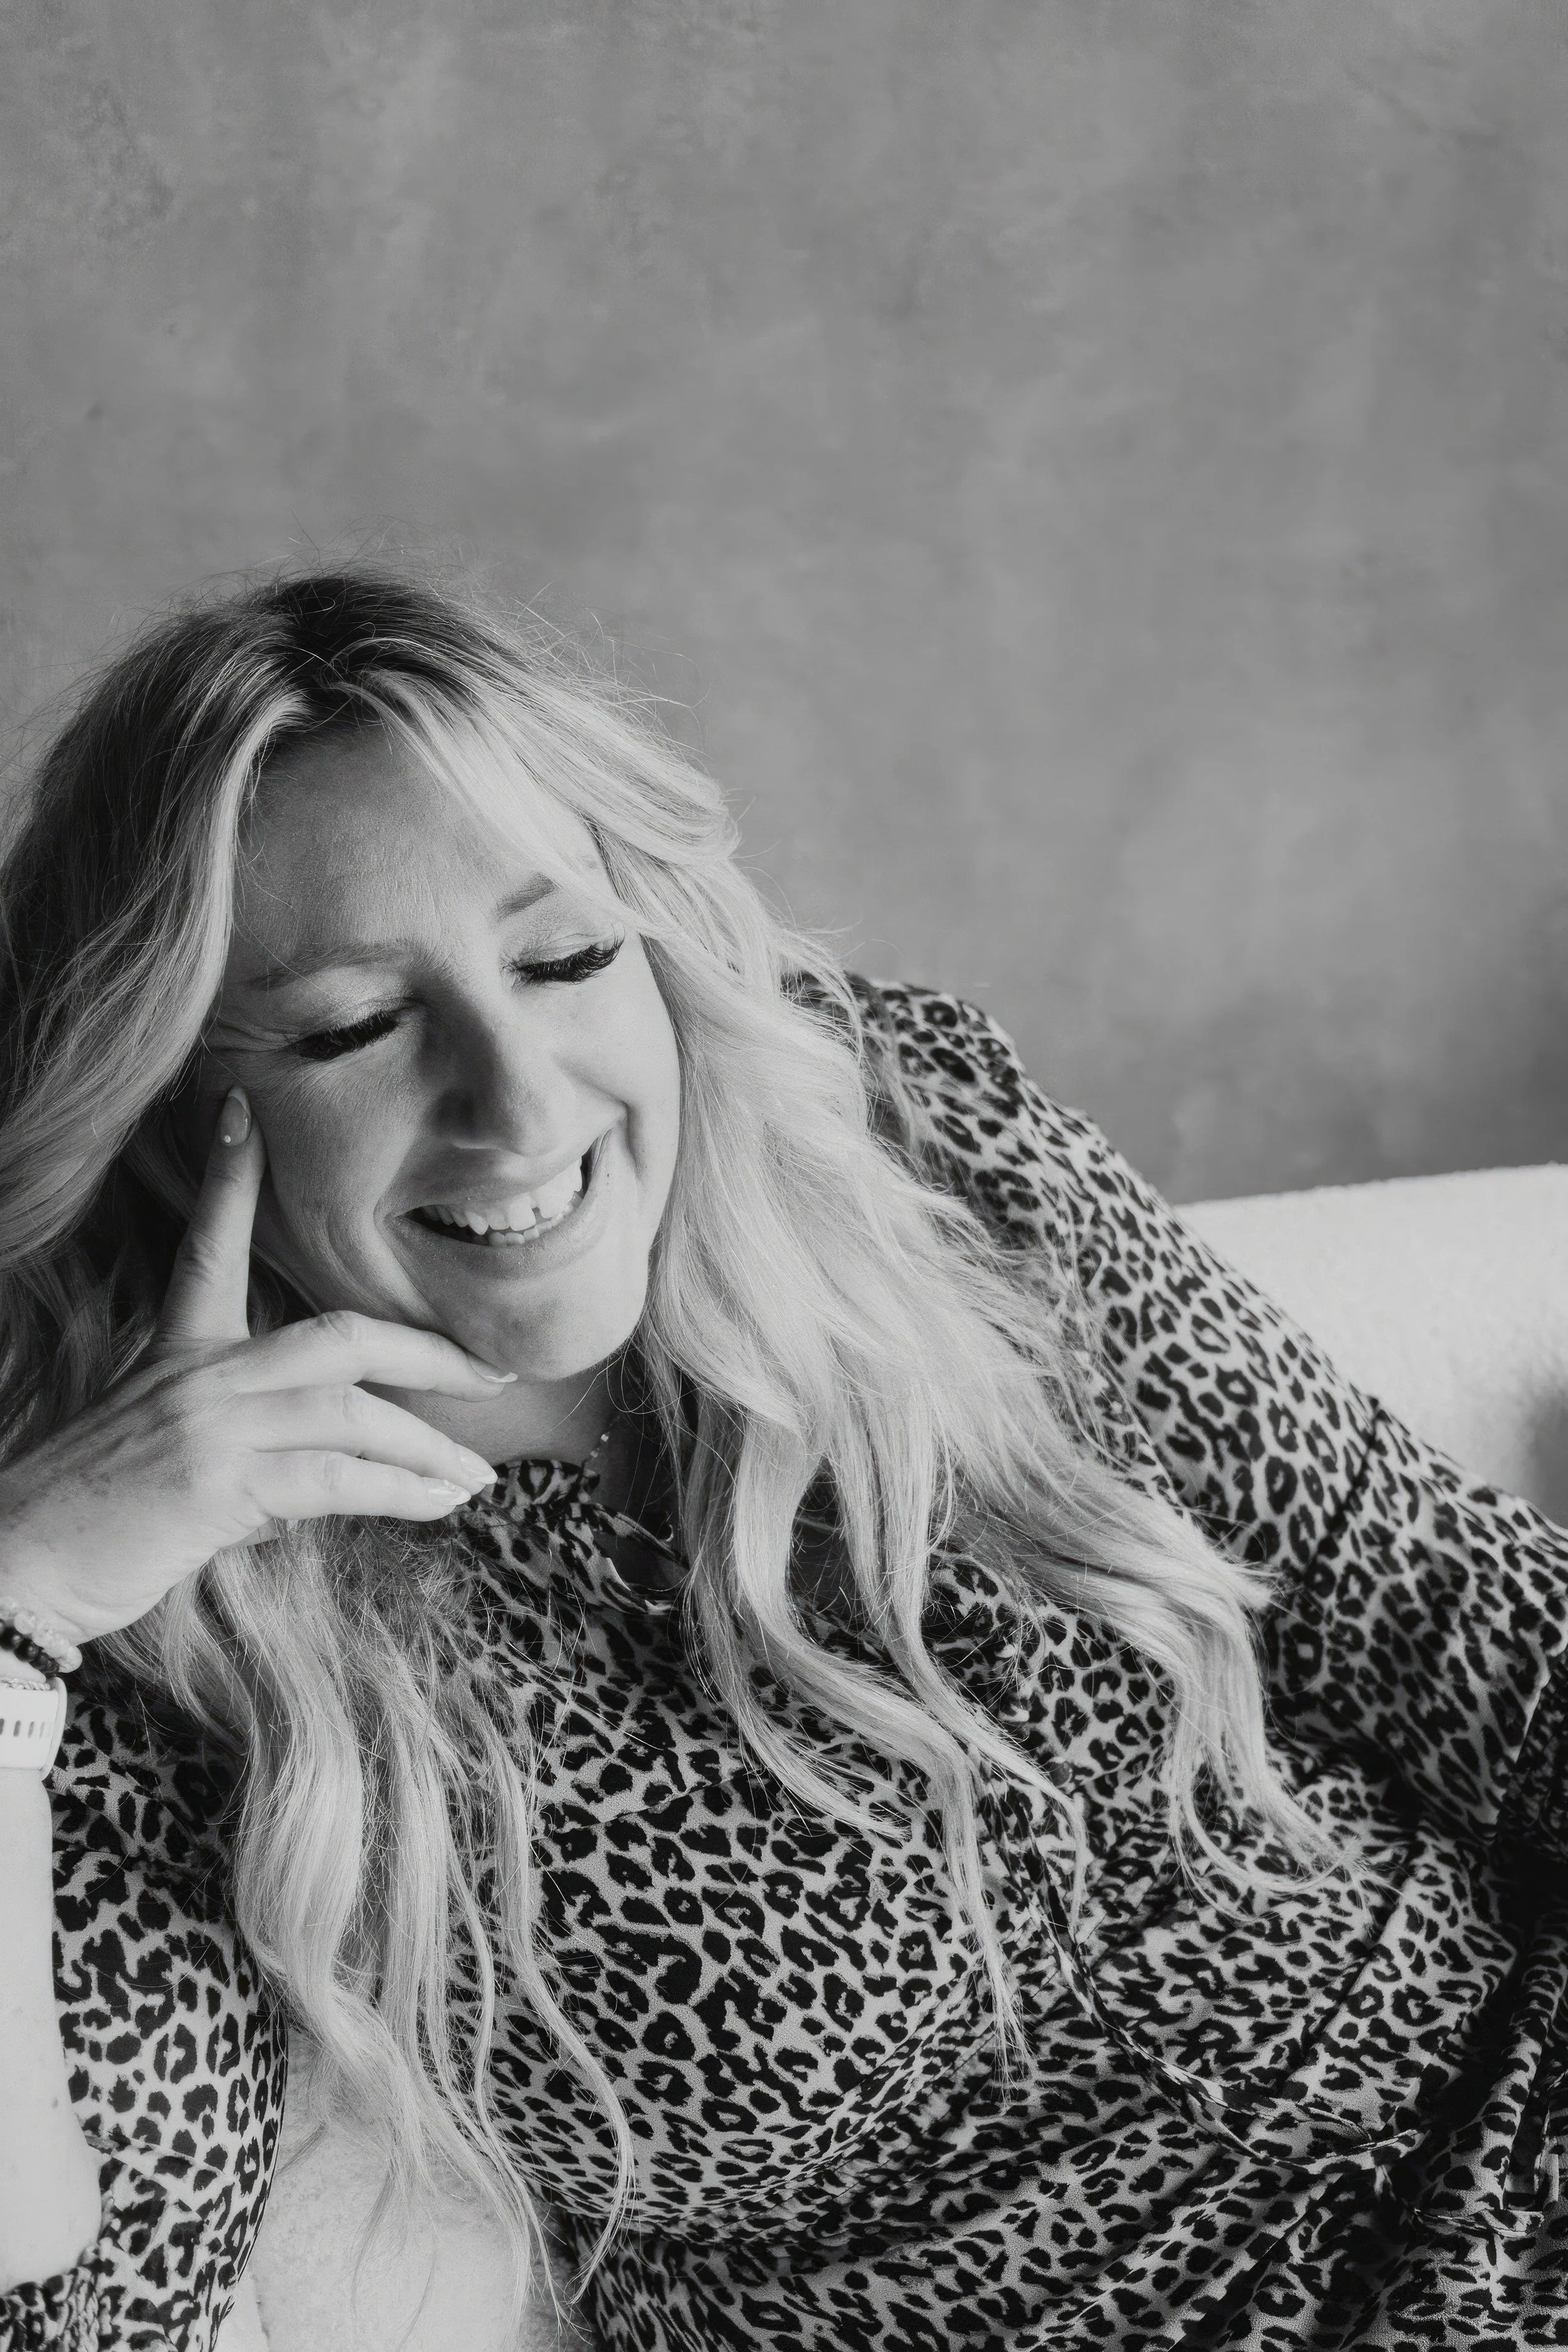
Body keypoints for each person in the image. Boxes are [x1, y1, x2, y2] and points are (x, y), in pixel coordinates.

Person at [0, 564, 1565, 2352]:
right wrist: (16, 1607)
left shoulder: (901, 1142)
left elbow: (1454, 1616)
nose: (521, 1104)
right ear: (158, 1116)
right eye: (355, 1024)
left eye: (564, 953)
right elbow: (74, 2316)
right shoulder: (181, 1633)